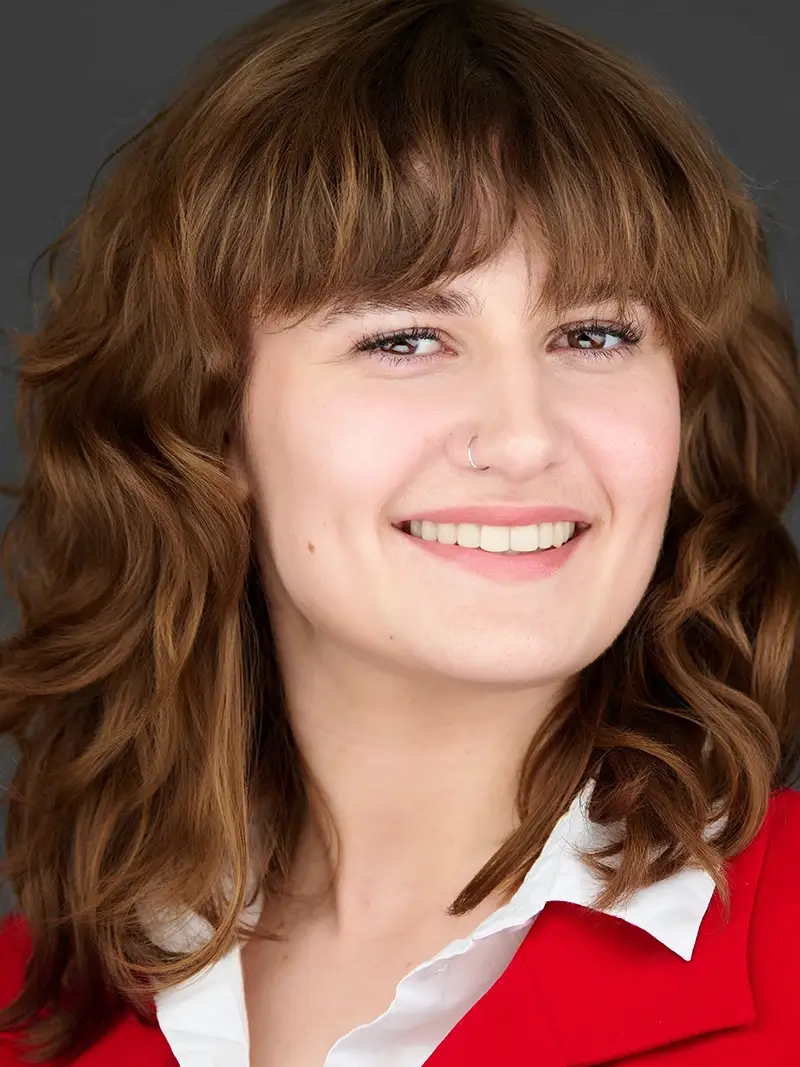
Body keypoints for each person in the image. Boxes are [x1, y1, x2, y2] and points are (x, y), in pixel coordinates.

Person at [1, 0, 800, 1063]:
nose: (521, 438)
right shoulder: (36, 1005)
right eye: (408, 337)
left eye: (594, 331)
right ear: (209, 424)